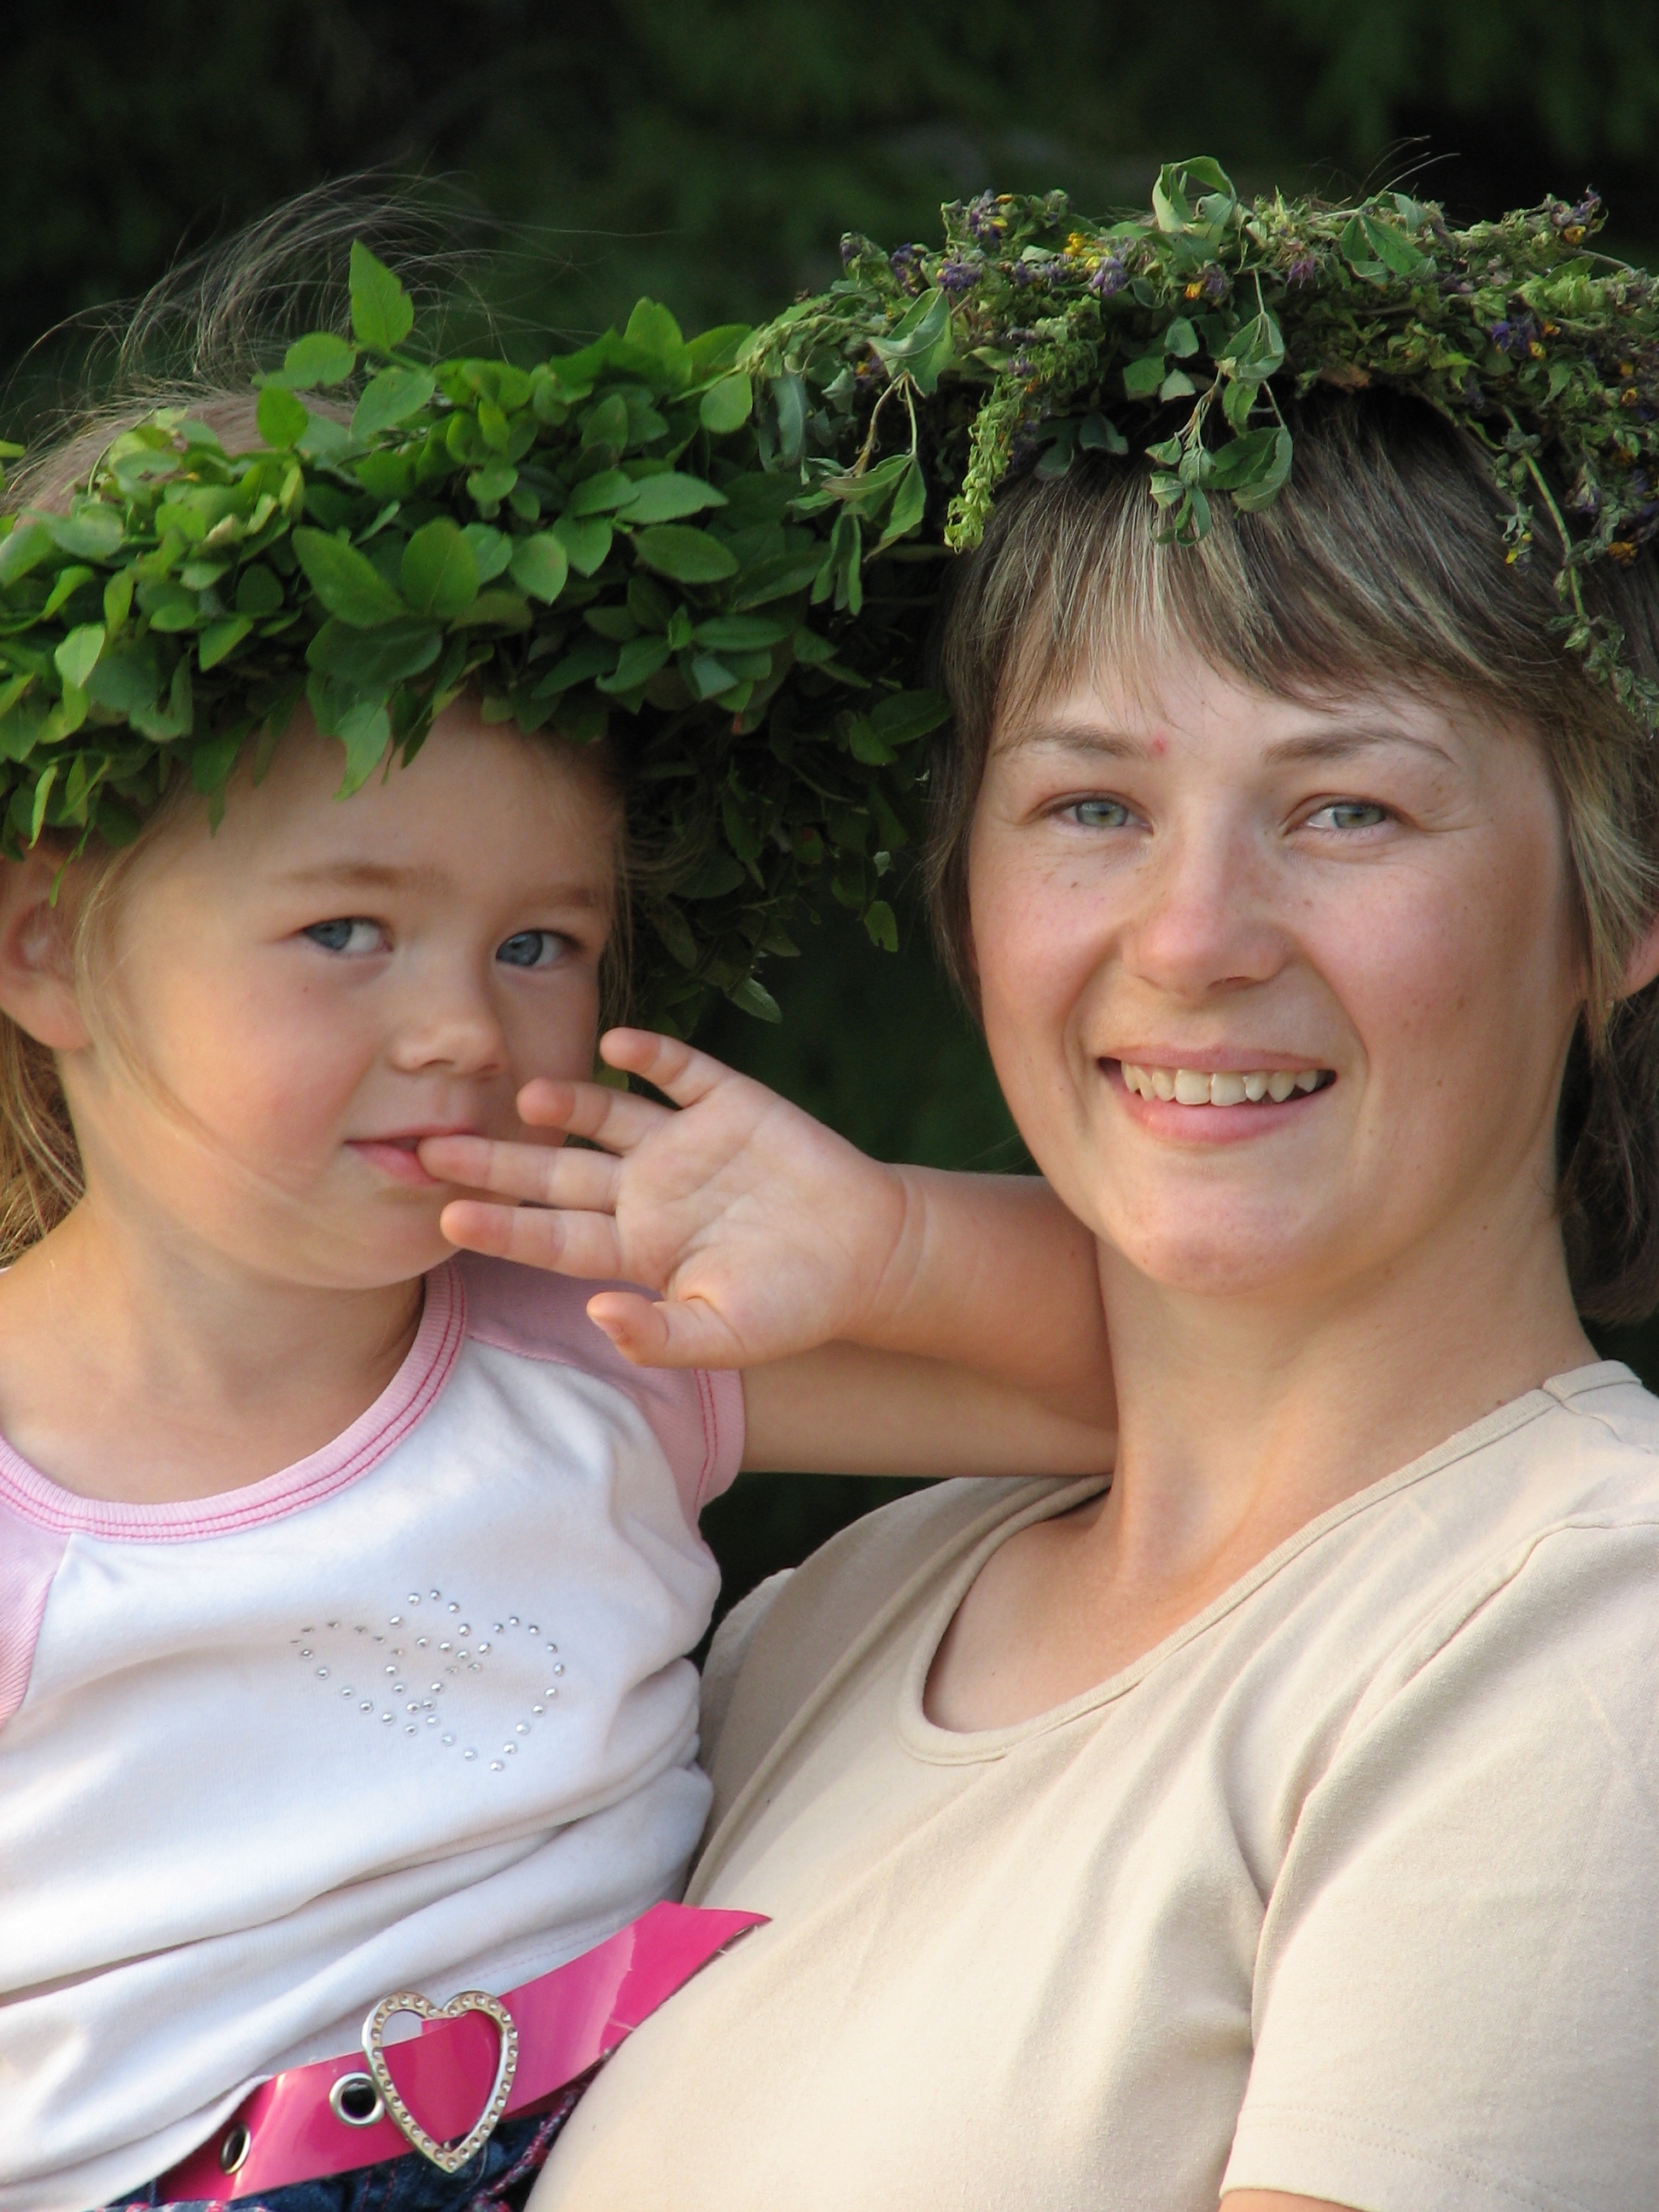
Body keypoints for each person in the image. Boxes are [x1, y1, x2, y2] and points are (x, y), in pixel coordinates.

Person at [492, 181, 1659, 2211]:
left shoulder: (1583, 1634)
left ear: (1615, 915)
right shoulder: (829, 1620)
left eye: (1348, 808)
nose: (1194, 937)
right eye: (1092, 805)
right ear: (970, 894)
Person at [0, 227, 1116, 2212]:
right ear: (46, 945)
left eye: (538, 942)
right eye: (347, 930)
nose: (461, 1025)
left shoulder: (582, 1327)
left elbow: (1165, 1374)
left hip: (674, 2130)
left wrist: (888, 1248)